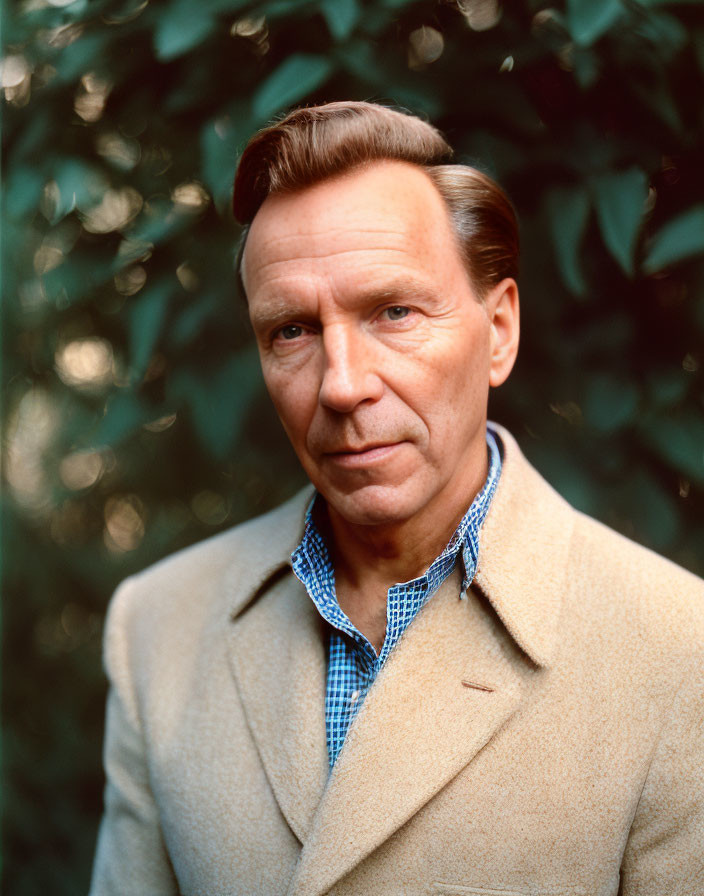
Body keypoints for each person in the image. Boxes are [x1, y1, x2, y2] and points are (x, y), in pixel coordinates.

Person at [90, 102, 704, 896]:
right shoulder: (158, 628)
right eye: (292, 331)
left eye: (394, 312)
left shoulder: (678, 652)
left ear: (500, 331)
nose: (343, 385)